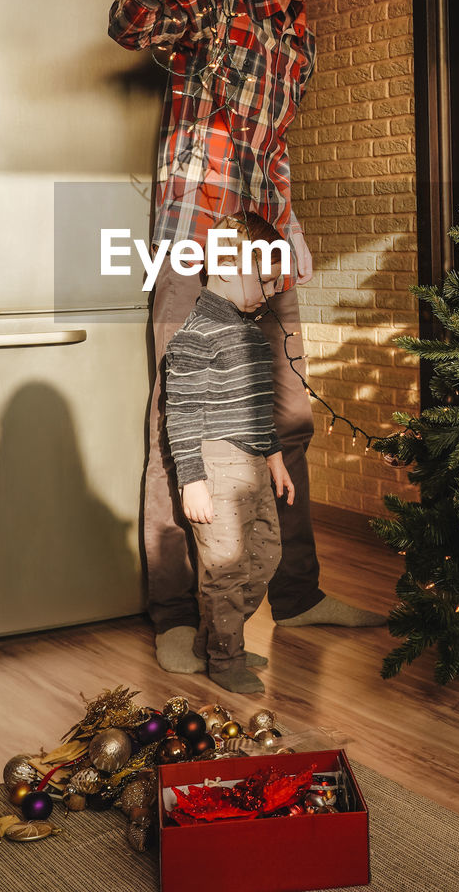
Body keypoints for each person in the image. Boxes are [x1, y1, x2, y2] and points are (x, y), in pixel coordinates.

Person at [109, 0, 386, 675]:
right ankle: (174, 614)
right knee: (181, 425)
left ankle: (294, 595)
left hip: (263, 250)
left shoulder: (301, 37)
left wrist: (289, 236)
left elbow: (271, 150)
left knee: (289, 418)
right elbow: (129, 25)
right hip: (193, 241)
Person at [166, 213, 294, 695]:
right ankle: (225, 658)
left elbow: (259, 406)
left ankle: (216, 639)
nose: (268, 290)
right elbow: (180, 414)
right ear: (223, 264)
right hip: (215, 467)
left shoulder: (250, 334)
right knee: (225, 569)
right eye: (262, 278)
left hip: (254, 465)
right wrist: (191, 478)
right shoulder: (197, 336)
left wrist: (275, 457)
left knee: (265, 557)